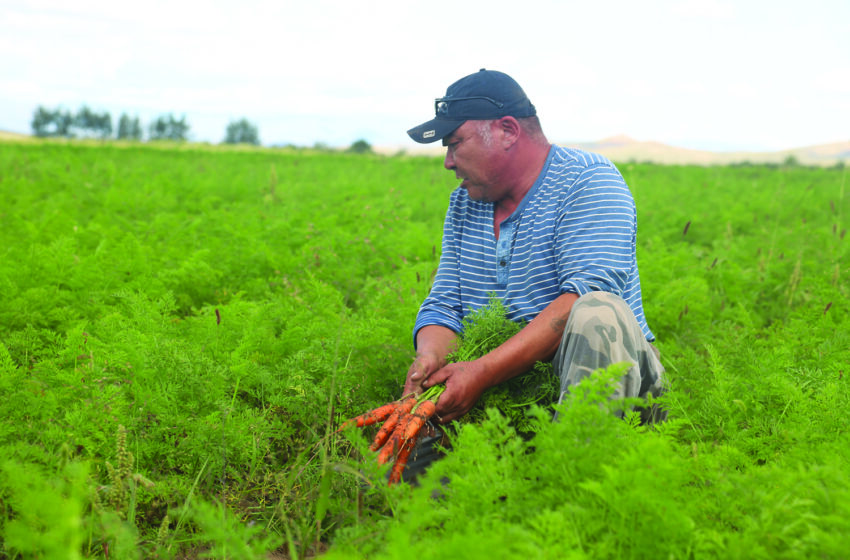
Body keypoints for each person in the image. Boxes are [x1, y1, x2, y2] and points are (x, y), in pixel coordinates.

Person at [403, 69, 666, 429]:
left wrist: (481, 372)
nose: (448, 160)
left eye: (455, 142)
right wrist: (430, 358)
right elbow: (446, 302)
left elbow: (584, 295)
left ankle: (576, 472)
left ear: (507, 131)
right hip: (508, 387)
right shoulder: (466, 201)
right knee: (407, 463)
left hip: (606, 386)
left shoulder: (587, 180)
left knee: (597, 311)